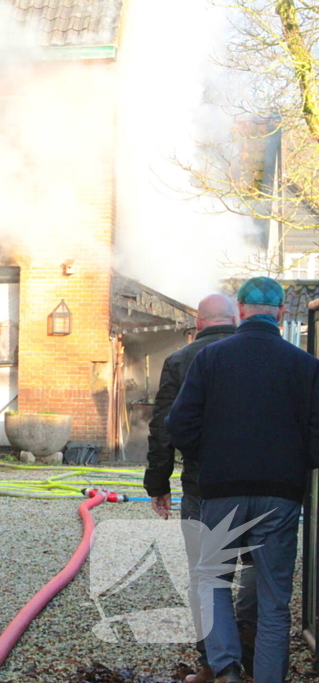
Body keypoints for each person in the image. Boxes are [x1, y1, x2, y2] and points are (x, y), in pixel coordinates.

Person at [167, 276, 319, 683]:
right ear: (283, 314)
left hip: (220, 492)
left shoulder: (211, 359)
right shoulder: (307, 366)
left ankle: (226, 669)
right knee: (273, 598)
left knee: (213, 579)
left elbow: (178, 423)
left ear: (240, 312)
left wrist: (210, 455)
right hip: (281, 497)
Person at [144, 294, 257, 683]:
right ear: (236, 318)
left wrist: (158, 483)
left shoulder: (180, 360)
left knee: (207, 576)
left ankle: (214, 664)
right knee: (260, 567)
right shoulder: (258, 353)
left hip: (202, 485)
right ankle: (250, 641)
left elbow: (164, 426)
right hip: (262, 483)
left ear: (197, 322)